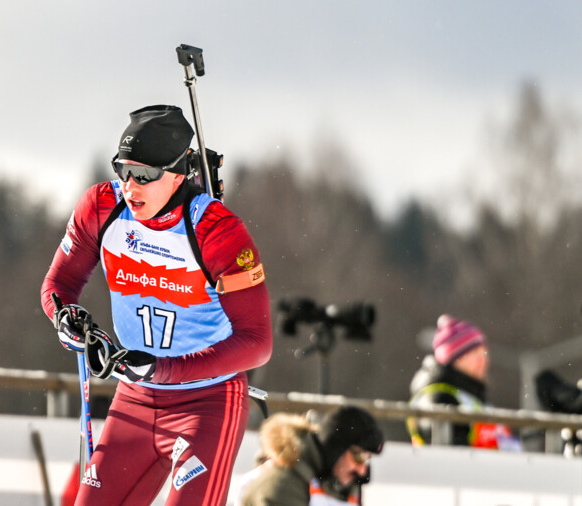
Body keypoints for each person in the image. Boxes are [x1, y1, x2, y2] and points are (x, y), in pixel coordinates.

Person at [40, 104, 272, 505]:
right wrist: (65, 317)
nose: (131, 186)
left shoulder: (215, 230)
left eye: (145, 175)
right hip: (135, 396)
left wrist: (166, 370)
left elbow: (257, 343)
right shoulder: (102, 207)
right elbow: (59, 284)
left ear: (179, 172)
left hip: (207, 402)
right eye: (123, 169)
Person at [406, 314, 519, 449]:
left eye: (484, 353)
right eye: (474, 353)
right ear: (454, 358)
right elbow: (451, 456)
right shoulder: (439, 397)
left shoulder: (471, 397)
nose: (482, 360)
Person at [237, 405, 385, 506]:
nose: (362, 470)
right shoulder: (283, 481)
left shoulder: (341, 483)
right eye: (358, 457)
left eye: (367, 459)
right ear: (336, 450)